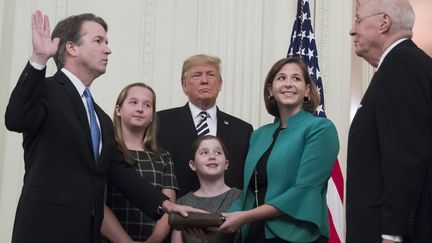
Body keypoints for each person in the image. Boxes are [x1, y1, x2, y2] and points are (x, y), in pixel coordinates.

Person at [4, 11, 202, 243]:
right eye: (98, 41)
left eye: (106, 42)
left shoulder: (100, 117)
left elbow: (121, 174)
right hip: (45, 230)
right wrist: (38, 60)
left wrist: (166, 205)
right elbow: (15, 119)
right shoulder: (46, 91)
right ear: (71, 48)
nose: (107, 49)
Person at [218, 57, 339, 243]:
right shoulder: (258, 135)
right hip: (253, 233)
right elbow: (248, 193)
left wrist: (245, 217)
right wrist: (217, 222)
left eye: (296, 79)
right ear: (270, 91)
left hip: (297, 235)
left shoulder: (320, 129)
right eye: (281, 78)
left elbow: (305, 190)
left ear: (307, 90)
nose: (289, 84)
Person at [346, 0, 432, 242]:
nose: (353, 30)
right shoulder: (402, 65)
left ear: (384, 22)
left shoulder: (401, 65)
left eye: (358, 20)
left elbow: (406, 156)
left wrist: (393, 234)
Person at [158, 54, 253, 197]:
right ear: (184, 86)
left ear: (220, 84)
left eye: (211, 75)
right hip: (175, 213)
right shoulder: (160, 122)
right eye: (197, 75)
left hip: (229, 214)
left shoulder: (242, 130)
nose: (204, 81)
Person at [101, 83, 178, 242]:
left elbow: (169, 206)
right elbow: (98, 204)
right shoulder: (105, 151)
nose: (140, 109)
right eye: (133, 102)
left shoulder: (163, 156)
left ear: (152, 116)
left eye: (147, 105)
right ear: (119, 110)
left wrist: (154, 240)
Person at [171, 135, 241, 243]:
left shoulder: (241, 198)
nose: (212, 156)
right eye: (205, 152)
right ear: (192, 164)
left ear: (226, 164)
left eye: (218, 152)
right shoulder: (182, 204)